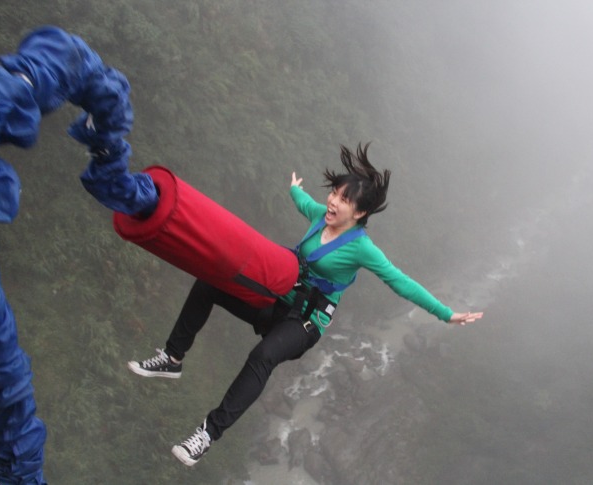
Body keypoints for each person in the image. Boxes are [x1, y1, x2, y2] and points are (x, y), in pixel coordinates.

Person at [127, 143, 483, 466]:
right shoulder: (319, 216)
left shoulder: (361, 248)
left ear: (359, 213)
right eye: (334, 193)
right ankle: (172, 358)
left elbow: (400, 282)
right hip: (276, 301)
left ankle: (207, 434)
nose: (332, 201)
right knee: (210, 282)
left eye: (343, 200)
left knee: (262, 356)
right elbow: (302, 202)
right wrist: (295, 188)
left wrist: (446, 314)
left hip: (306, 324)